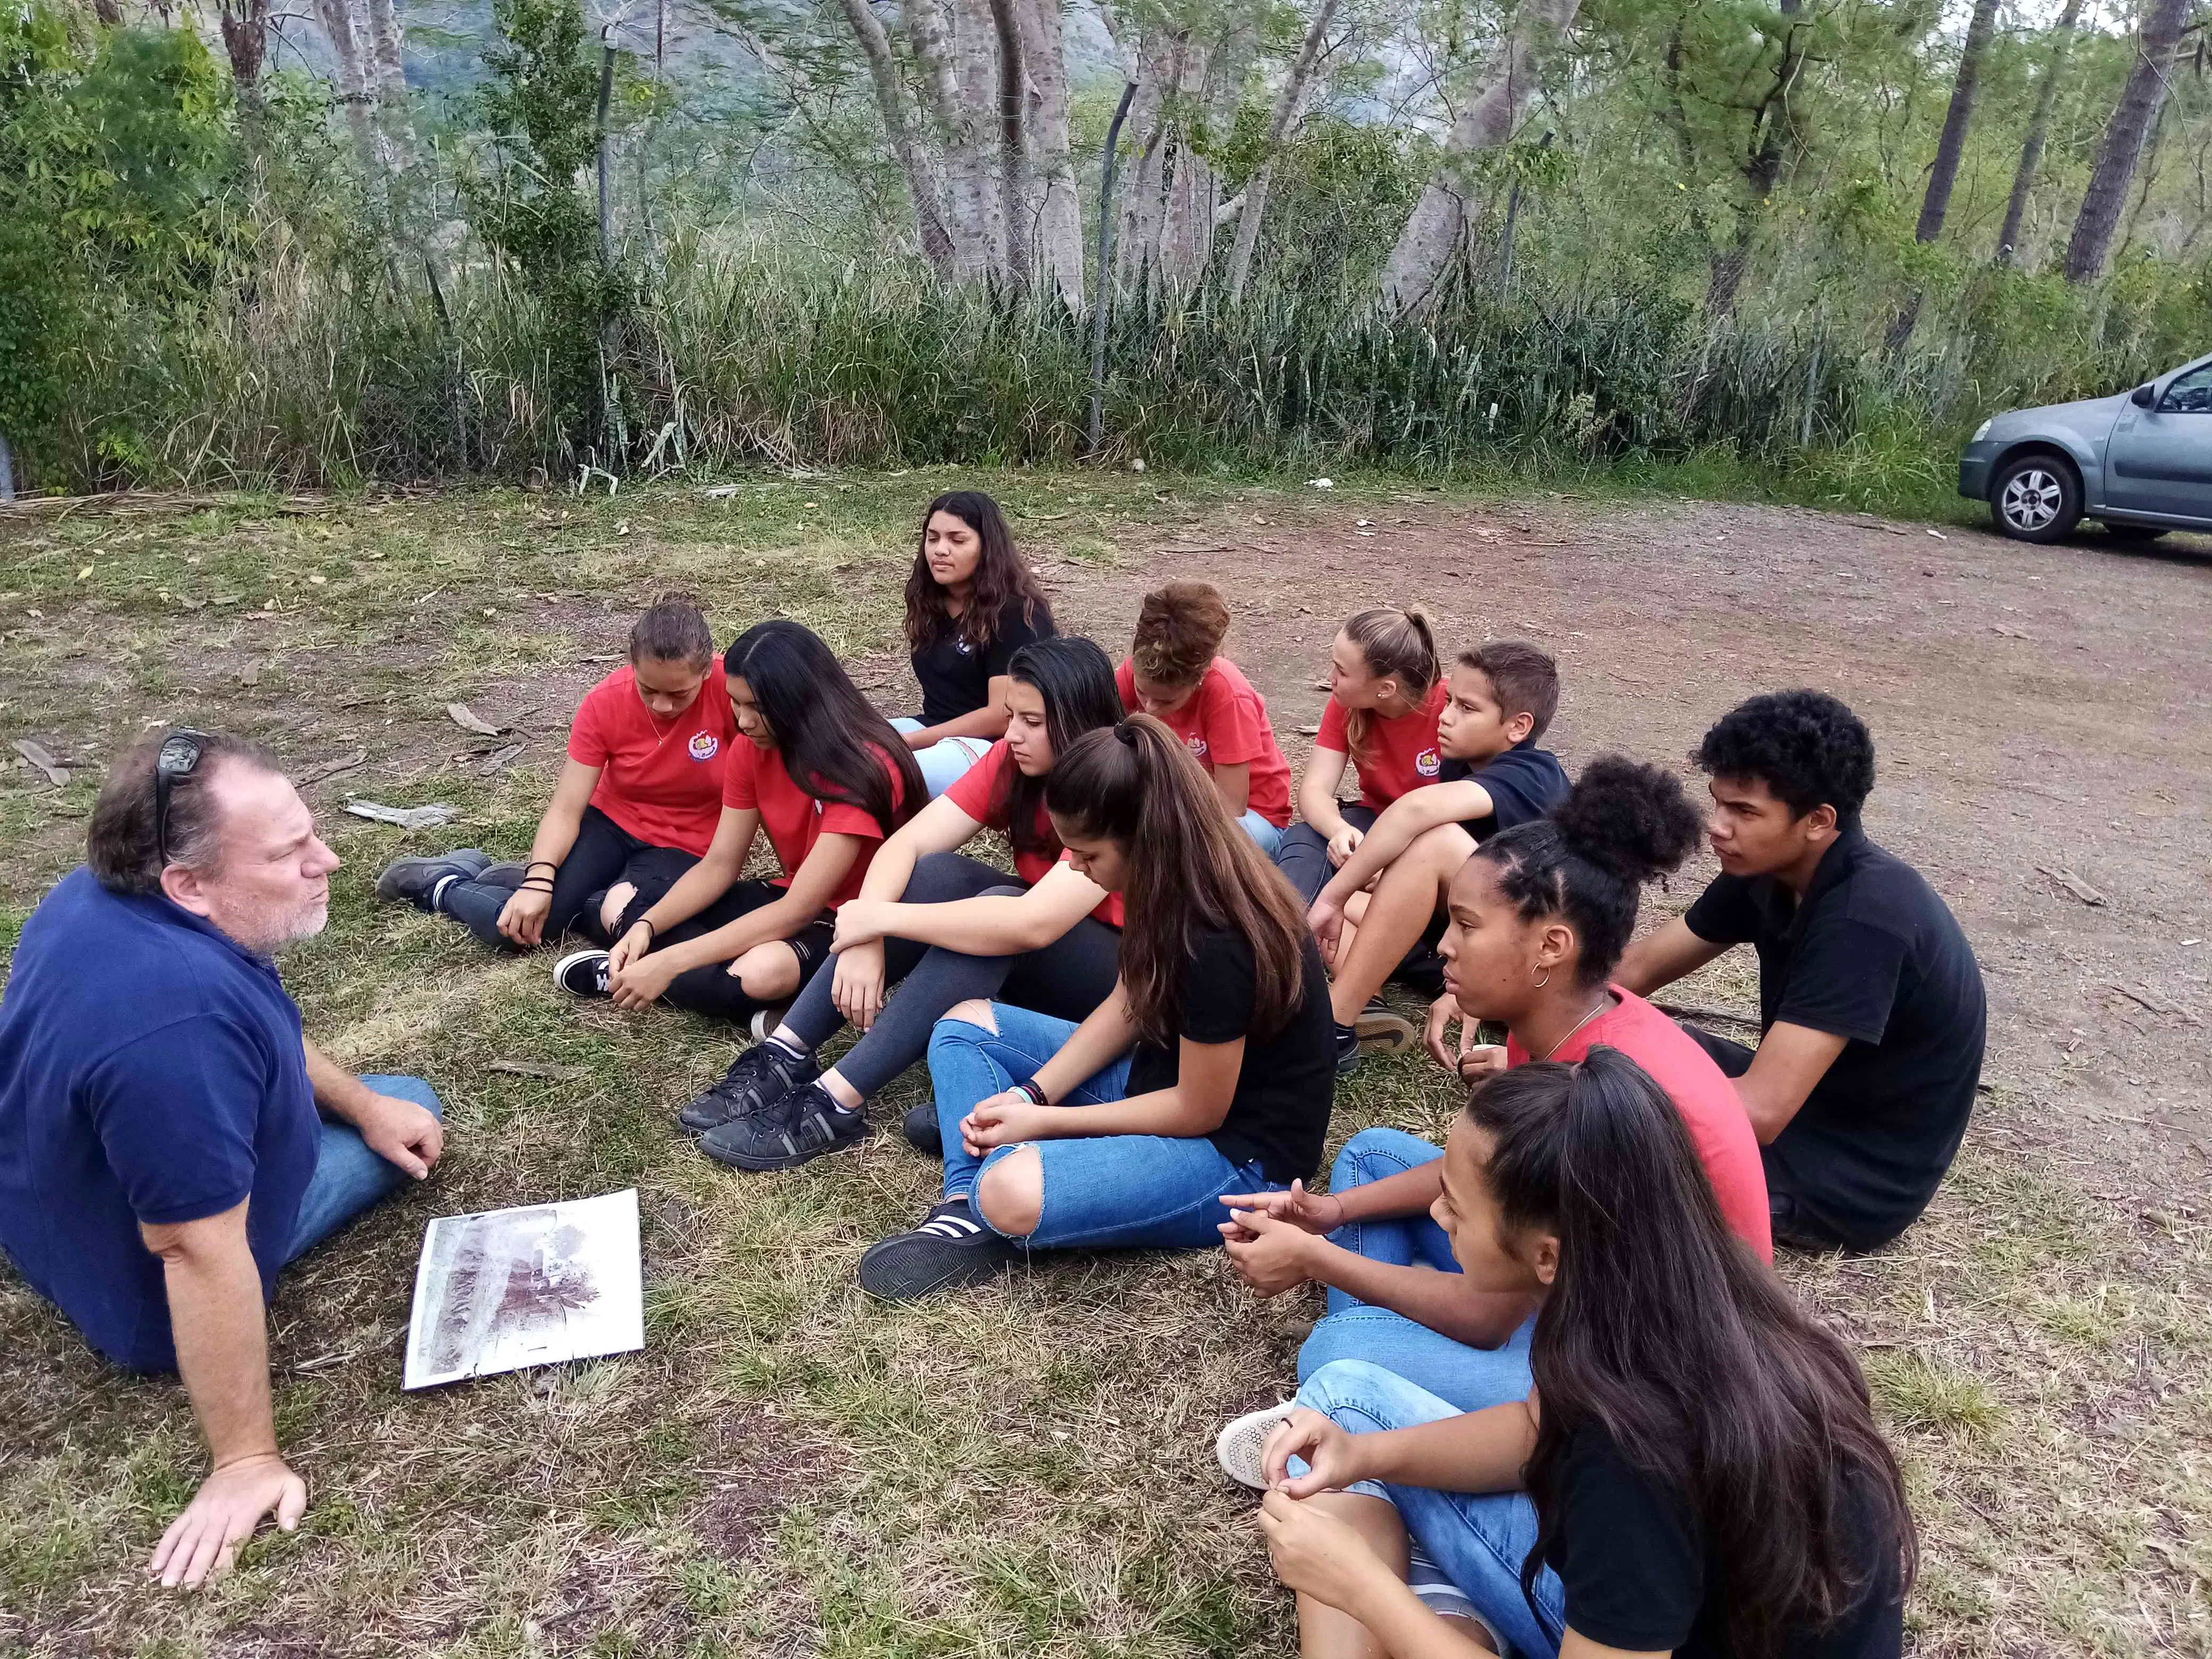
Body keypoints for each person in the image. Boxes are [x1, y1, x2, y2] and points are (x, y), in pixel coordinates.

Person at [1253, 1050, 1914, 1659]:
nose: (1435, 1212)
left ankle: (1429, 1594)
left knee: (1352, 1509)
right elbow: (1535, 1431)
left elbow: (1595, 1463)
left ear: (1547, 1254)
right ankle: (1433, 1585)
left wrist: (1362, 1585)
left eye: (1455, 1207)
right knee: (1341, 1409)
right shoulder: (1680, 1301)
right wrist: (1366, 1454)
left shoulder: (1633, 1448)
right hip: (1682, 1614)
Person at [0, 732, 448, 1590]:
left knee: (391, 1101)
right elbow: (192, 1251)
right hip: (142, 1292)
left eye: (311, 833)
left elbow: (259, 1036)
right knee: (419, 1101)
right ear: (189, 883)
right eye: (290, 852)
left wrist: (359, 1104)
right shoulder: (177, 1034)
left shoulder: (90, 893)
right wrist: (246, 1460)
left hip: (37, 1196)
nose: (330, 858)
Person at [1215, 755, 1769, 1430]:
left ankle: (1370, 1389)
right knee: (1368, 1159)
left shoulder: (1595, 1096)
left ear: (1550, 947)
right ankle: (1394, 1364)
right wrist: (1328, 1213)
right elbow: (1488, 1179)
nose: (1442, 947)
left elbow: (1486, 1316)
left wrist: (1313, 1258)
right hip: (1564, 1277)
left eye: (1466, 926)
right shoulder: (1566, 1017)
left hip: (1654, 1372)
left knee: (1340, 1352)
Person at [857, 716, 1336, 1301]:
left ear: (1143, 838)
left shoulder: (1216, 935)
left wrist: (1049, 1121)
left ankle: (988, 1192)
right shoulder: (1173, 872)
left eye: (1086, 854)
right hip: (1156, 1080)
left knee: (1008, 1192)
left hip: (1236, 1157)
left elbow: (1197, 1111)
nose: (1075, 868)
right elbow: (1129, 1001)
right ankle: (964, 1201)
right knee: (964, 1025)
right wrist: (1031, 1094)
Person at [678, 636, 1127, 1171]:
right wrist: (865, 939)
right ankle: (786, 1051)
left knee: (998, 914)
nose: (1010, 734)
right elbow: (907, 845)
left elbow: (1032, 923)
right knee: (937, 873)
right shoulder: (1013, 760)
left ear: (1078, 719)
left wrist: (882, 918)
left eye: (1031, 721)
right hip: (1050, 955)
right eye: (1011, 716)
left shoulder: (1118, 783)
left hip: (1121, 990)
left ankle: (837, 1101)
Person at [1616, 689, 1987, 1252]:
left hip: (1846, 1176)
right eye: (1718, 802)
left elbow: (1758, 1111)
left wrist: (1572, 1085)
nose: (1716, 826)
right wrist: (1518, 1003)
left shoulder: (1866, 917)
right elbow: (1637, 968)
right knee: (1627, 1038)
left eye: (1743, 812)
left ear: (1817, 821)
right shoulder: (1768, 868)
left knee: (1599, 1151)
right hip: (1803, 1104)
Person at [553, 620, 923, 1038]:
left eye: (756, 708)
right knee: (628, 907)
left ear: (801, 699)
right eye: (735, 704)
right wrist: (648, 927)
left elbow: (801, 909)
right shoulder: (750, 749)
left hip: (853, 920)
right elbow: (720, 864)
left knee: (763, 973)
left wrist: (672, 960)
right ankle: (672, 974)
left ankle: (638, 973)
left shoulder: (863, 765)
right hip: (786, 895)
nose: (743, 722)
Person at [375, 594, 733, 951]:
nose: (662, 705)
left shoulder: (734, 692)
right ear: (633, 665)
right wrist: (540, 881)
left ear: (707, 670)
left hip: (687, 844)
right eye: (648, 689)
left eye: (680, 694)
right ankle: (442, 885)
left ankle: (558, 885)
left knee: (628, 921)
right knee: (529, 929)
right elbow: (566, 808)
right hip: (613, 823)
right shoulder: (604, 703)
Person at [1305, 641, 1569, 1072]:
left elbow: (1416, 812)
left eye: (1467, 708)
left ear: (1519, 727)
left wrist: (1334, 898)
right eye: (1448, 701)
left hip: (1530, 963)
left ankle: (1333, 1025)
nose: (1445, 716)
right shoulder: (1463, 764)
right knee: (1337, 905)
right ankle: (1382, 1000)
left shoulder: (1535, 774)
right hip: (1461, 945)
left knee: (1434, 844)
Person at [1272, 606, 1446, 909]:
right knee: (1304, 840)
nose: (1331, 678)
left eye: (1342, 671)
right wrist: (1339, 831)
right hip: (1375, 821)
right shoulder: (1347, 704)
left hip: (1435, 833)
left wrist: (1388, 860)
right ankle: (1282, 928)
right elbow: (1315, 790)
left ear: (1385, 689)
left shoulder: (1450, 708)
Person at [888, 490, 1057, 797]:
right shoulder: (930, 601)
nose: (940, 550)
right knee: (841, 751)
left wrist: (911, 743)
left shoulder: (1016, 612)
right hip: (935, 727)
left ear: (987, 548)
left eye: (957, 540)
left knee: (877, 779)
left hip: (995, 746)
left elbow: (1001, 715)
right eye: (933, 538)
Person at [1114, 580, 1293, 854]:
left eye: (1167, 701)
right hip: (1175, 801)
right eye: (1141, 692)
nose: (1148, 707)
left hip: (1253, 819)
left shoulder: (1228, 695)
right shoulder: (1135, 671)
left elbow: (1231, 807)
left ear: (1200, 677)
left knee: (1171, 850)